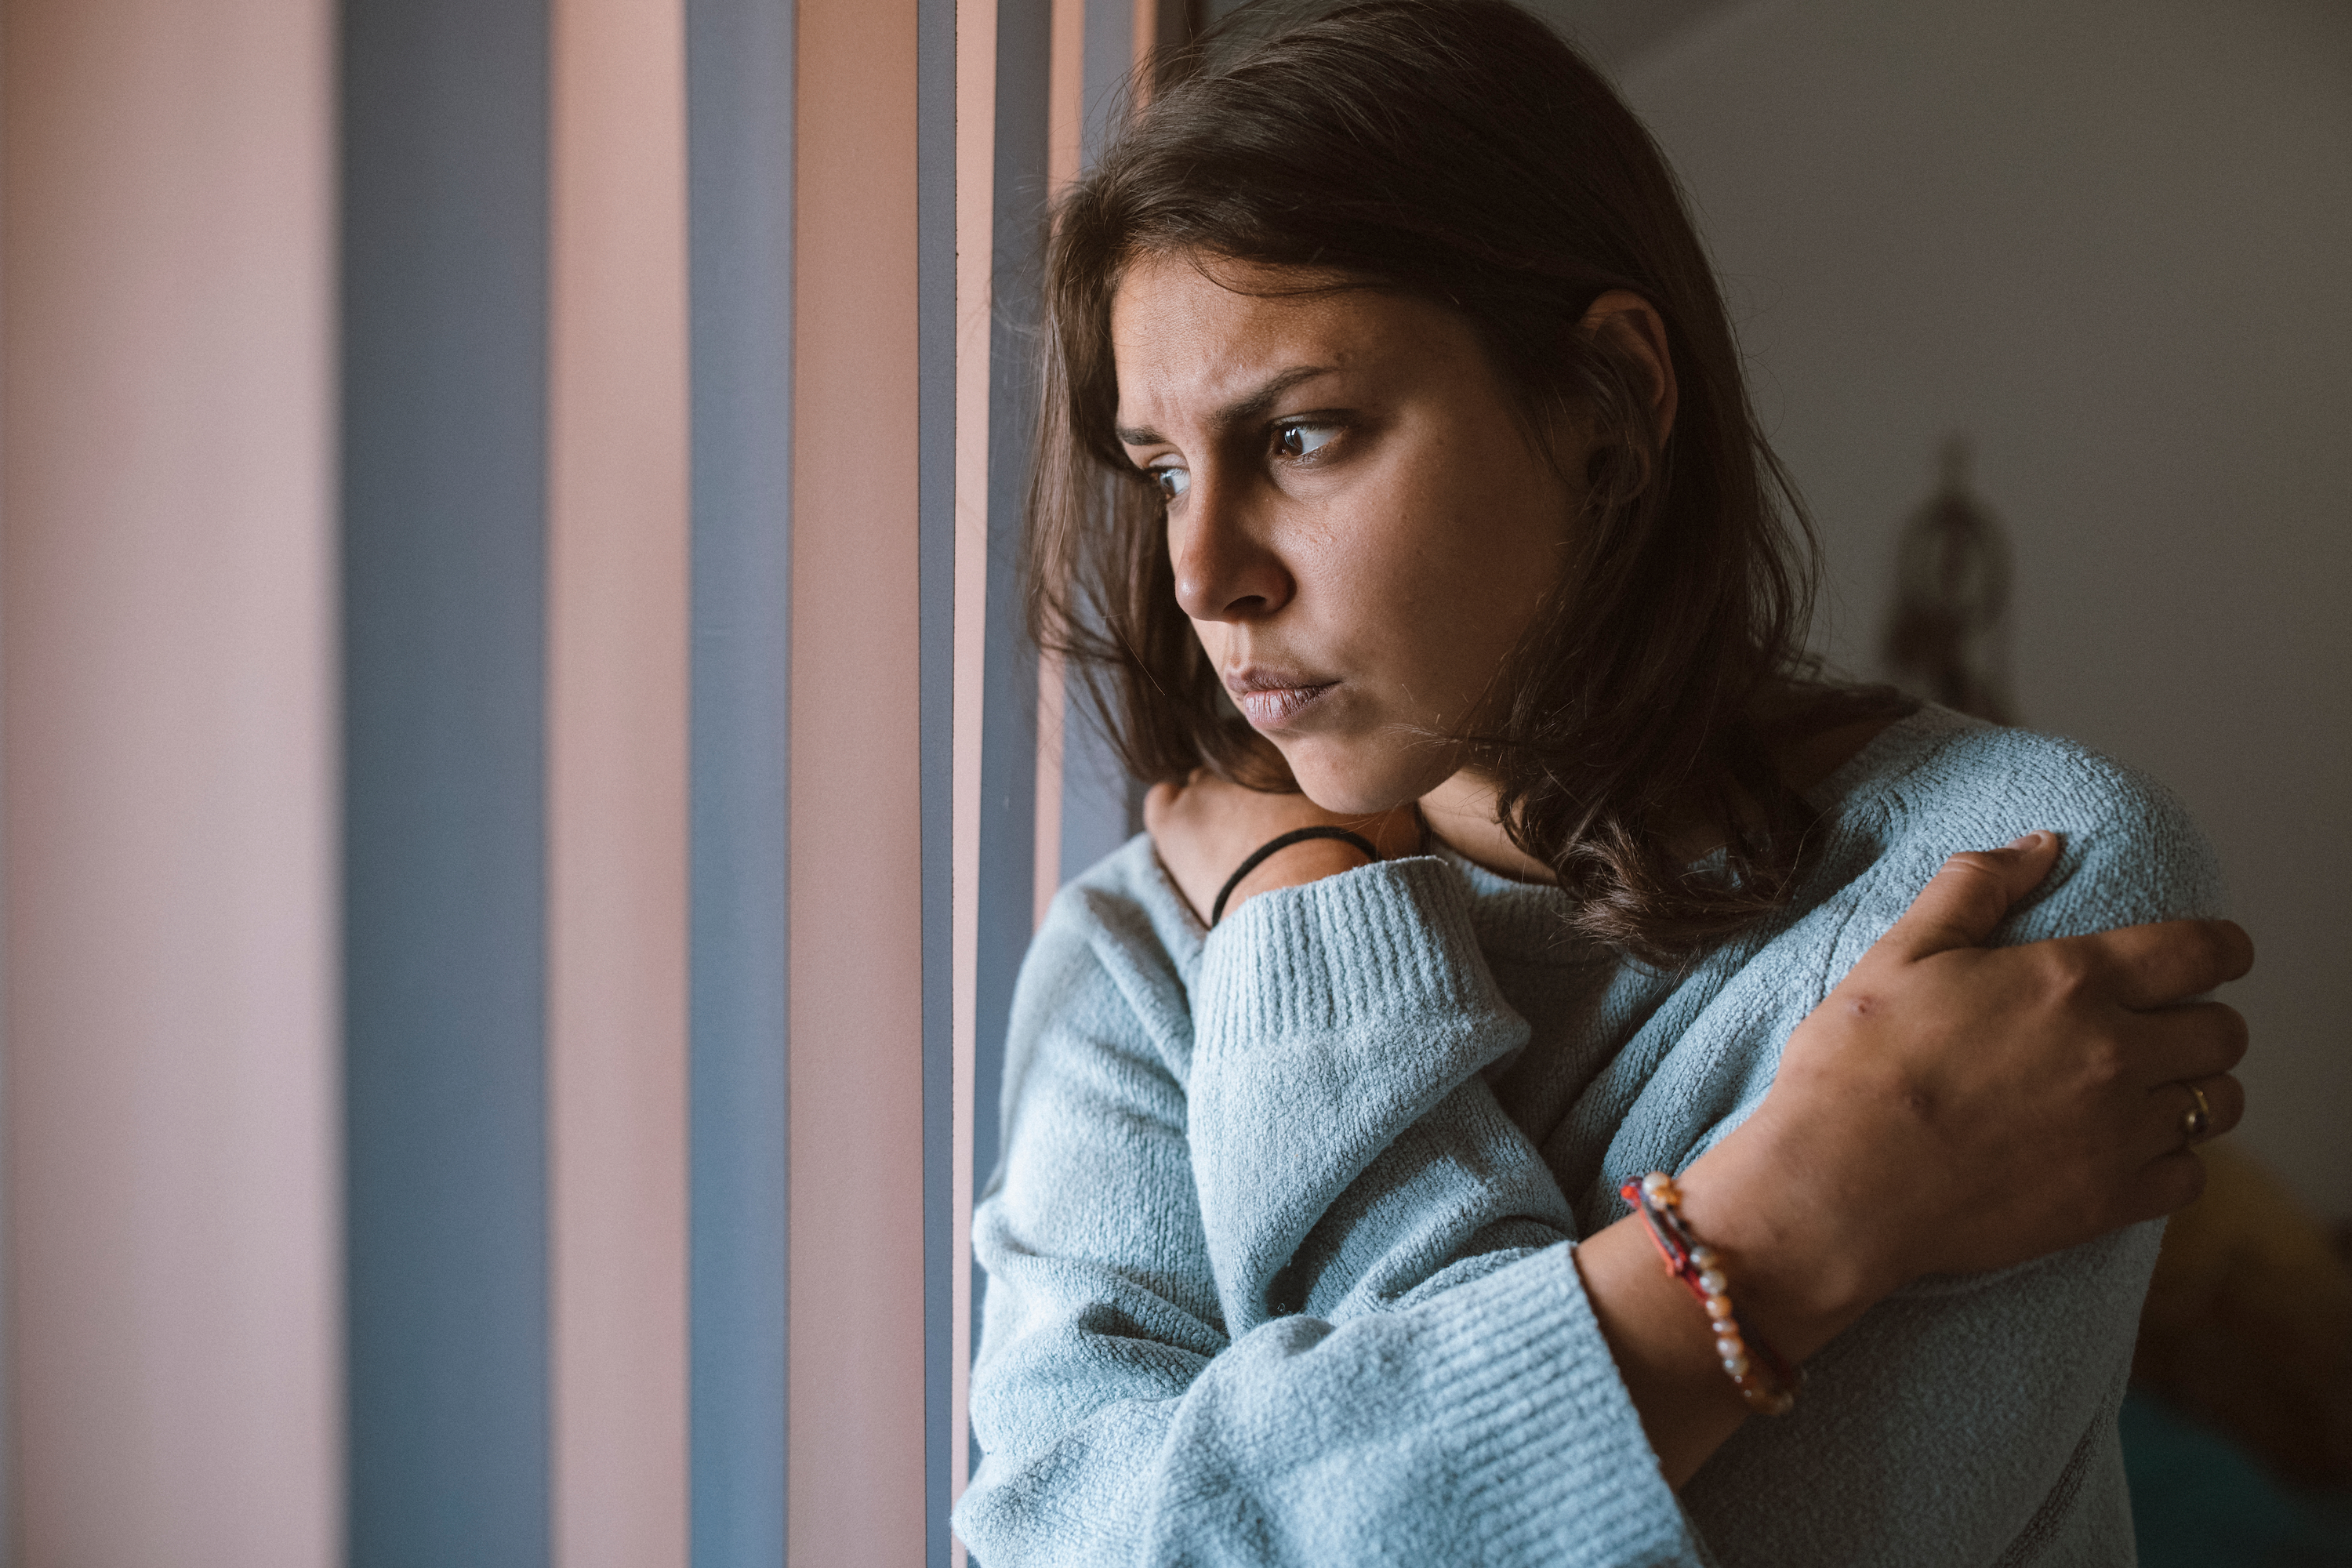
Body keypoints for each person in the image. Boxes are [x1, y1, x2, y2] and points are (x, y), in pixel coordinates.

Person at [953, 2, 2254, 1563]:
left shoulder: (2011, 879)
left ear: (1610, 398)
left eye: (1301, 434)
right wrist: (1774, 1237)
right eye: (1161, 468)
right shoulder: (1150, 944)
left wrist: (1307, 933)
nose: (1204, 572)